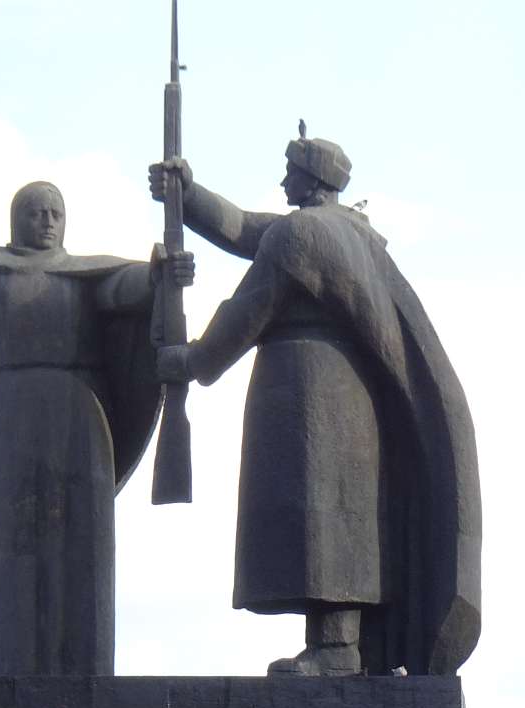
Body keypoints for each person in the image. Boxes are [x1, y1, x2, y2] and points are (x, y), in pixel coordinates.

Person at [149, 131, 480, 678]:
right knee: (333, 516)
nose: (283, 181)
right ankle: (341, 645)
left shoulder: (301, 235)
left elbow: (248, 308)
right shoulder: (349, 232)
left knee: (321, 519)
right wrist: (187, 192)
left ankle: (335, 649)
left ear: (313, 179)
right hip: (344, 390)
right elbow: (245, 228)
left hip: (310, 386)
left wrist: (190, 362)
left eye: (290, 172)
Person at [0, 98, 192, 680]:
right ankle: (8, 671)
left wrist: (164, 270)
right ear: (16, 221)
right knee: (12, 546)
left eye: (55, 211)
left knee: (84, 547)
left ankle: (86, 670)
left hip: (81, 419)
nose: (48, 220)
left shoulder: (86, 277)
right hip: (12, 416)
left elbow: (128, 289)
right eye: (36, 211)